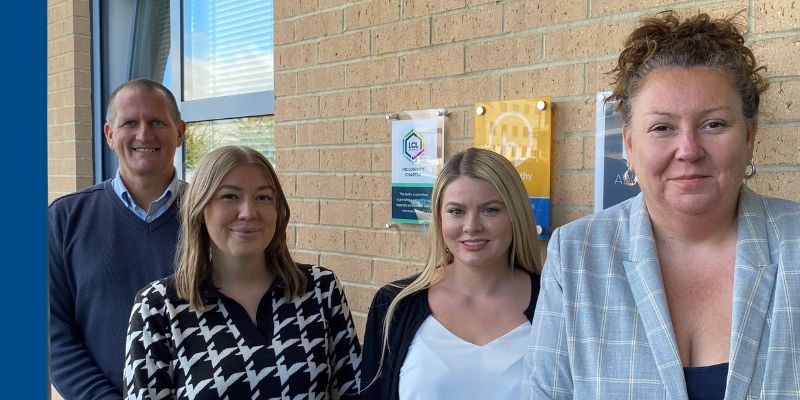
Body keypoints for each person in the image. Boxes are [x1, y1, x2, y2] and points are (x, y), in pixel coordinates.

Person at [522, 10, 800, 399]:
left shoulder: (795, 244)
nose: (688, 150)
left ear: (749, 136)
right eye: (662, 128)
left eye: (714, 124)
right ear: (630, 147)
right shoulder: (576, 255)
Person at [124, 146, 362, 399]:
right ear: (201, 209)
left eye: (263, 197)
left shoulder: (320, 290)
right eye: (230, 196)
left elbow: (354, 392)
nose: (249, 212)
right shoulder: (159, 307)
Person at [361, 147, 544, 400]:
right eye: (456, 211)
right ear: (439, 218)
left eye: (490, 210)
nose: (472, 226)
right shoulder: (394, 305)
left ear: (516, 214)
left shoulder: (554, 304)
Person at [49, 79, 186, 399]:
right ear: (110, 135)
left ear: (180, 132)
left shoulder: (210, 217)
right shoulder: (64, 220)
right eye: (129, 123)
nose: (144, 134)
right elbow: (51, 335)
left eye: (156, 122)